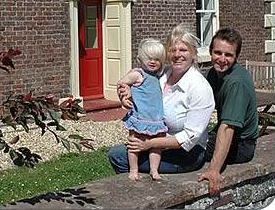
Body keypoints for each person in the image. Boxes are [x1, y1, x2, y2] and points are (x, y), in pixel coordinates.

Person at [108, 25, 215, 175]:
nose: (177, 54)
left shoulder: (199, 88)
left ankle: (140, 191)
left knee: (119, 156)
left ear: (194, 53)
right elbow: (141, 89)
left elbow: (189, 137)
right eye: (172, 50)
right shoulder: (161, 75)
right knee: (118, 153)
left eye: (183, 50)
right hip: (154, 141)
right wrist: (126, 92)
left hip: (185, 153)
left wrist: (148, 144)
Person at [198, 28, 259, 195]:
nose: (222, 59)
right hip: (226, 136)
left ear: (236, 57)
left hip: (241, 145)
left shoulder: (236, 83)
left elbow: (227, 128)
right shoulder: (212, 74)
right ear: (210, 52)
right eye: (218, 53)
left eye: (229, 55)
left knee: (190, 150)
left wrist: (214, 170)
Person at [117, 38, 167, 181]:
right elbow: (122, 82)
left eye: (157, 59)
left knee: (156, 146)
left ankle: (154, 170)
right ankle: (133, 170)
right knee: (134, 144)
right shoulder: (139, 74)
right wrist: (125, 96)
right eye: (149, 58)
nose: (153, 62)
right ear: (140, 59)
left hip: (155, 118)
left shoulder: (158, 76)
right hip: (139, 116)